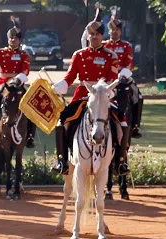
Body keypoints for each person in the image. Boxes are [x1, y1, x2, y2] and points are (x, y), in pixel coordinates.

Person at [50, 9, 131, 176]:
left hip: (103, 94)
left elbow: (112, 78)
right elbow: (71, 76)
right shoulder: (78, 55)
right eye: (91, 34)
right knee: (62, 121)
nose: (94, 37)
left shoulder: (111, 55)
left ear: (102, 36)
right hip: (82, 94)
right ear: (87, 36)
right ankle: (62, 160)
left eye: (97, 34)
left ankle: (120, 161)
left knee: (122, 123)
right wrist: (61, 85)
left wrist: (103, 91)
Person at [0, 17, 35, 149]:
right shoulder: (1, 52)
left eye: (15, 38)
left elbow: (25, 71)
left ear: (19, 40)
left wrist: (17, 80)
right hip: (3, 84)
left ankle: (30, 137)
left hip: (18, 84)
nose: (12, 40)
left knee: (32, 107)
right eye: (10, 38)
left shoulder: (24, 55)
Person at [103, 8, 143, 138]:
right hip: (106, 78)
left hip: (123, 77)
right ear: (108, 31)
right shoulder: (103, 46)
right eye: (112, 30)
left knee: (137, 95)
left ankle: (135, 125)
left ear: (120, 31)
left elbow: (129, 63)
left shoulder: (126, 46)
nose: (114, 32)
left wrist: (123, 74)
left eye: (117, 30)